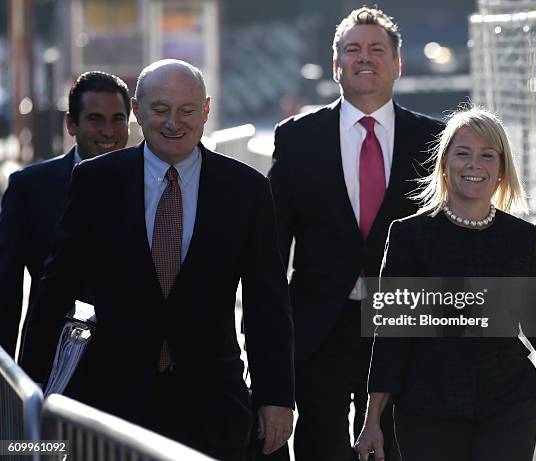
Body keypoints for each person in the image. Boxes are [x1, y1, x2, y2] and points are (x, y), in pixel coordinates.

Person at [20, 59, 295, 461]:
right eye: (160, 109)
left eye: (186, 110)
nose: (173, 122)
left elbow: (266, 302)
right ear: (137, 110)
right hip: (112, 401)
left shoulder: (245, 189)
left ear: (205, 110)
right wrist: (31, 391)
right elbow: (54, 290)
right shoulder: (97, 182)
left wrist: (276, 397)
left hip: (212, 402)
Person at [354, 107, 536, 461]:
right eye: (463, 153)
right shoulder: (409, 235)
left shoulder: (521, 237)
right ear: (444, 164)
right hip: (428, 407)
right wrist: (372, 419)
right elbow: (391, 334)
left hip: (508, 402)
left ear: (501, 170)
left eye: (487, 155)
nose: (474, 164)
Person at [268, 7, 444, 461]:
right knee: (320, 449)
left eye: (377, 49)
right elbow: (270, 249)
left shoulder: (435, 141)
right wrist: (268, 344)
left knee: (398, 450)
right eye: (353, 49)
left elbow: (446, 244)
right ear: (336, 65)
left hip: (404, 330)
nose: (364, 58)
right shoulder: (297, 138)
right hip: (318, 331)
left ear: (397, 63)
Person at [0, 71, 130, 363]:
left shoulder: (151, 184)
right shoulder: (29, 188)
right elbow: (6, 293)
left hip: (130, 366)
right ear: (71, 124)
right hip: (51, 357)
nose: (108, 131)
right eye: (96, 119)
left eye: (118, 119)